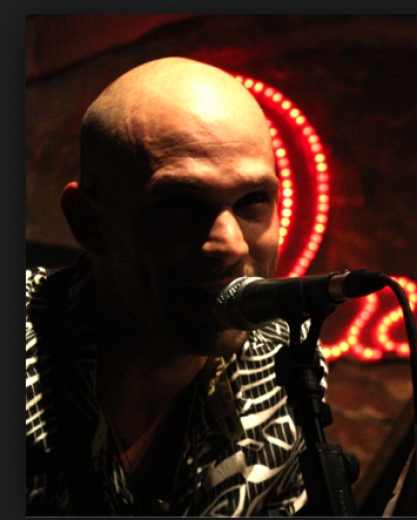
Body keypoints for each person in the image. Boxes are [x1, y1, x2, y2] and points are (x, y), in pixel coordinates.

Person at [25, 57, 324, 516]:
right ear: (89, 222)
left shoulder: (286, 362)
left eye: (253, 200)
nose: (230, 244)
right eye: (181, 205)